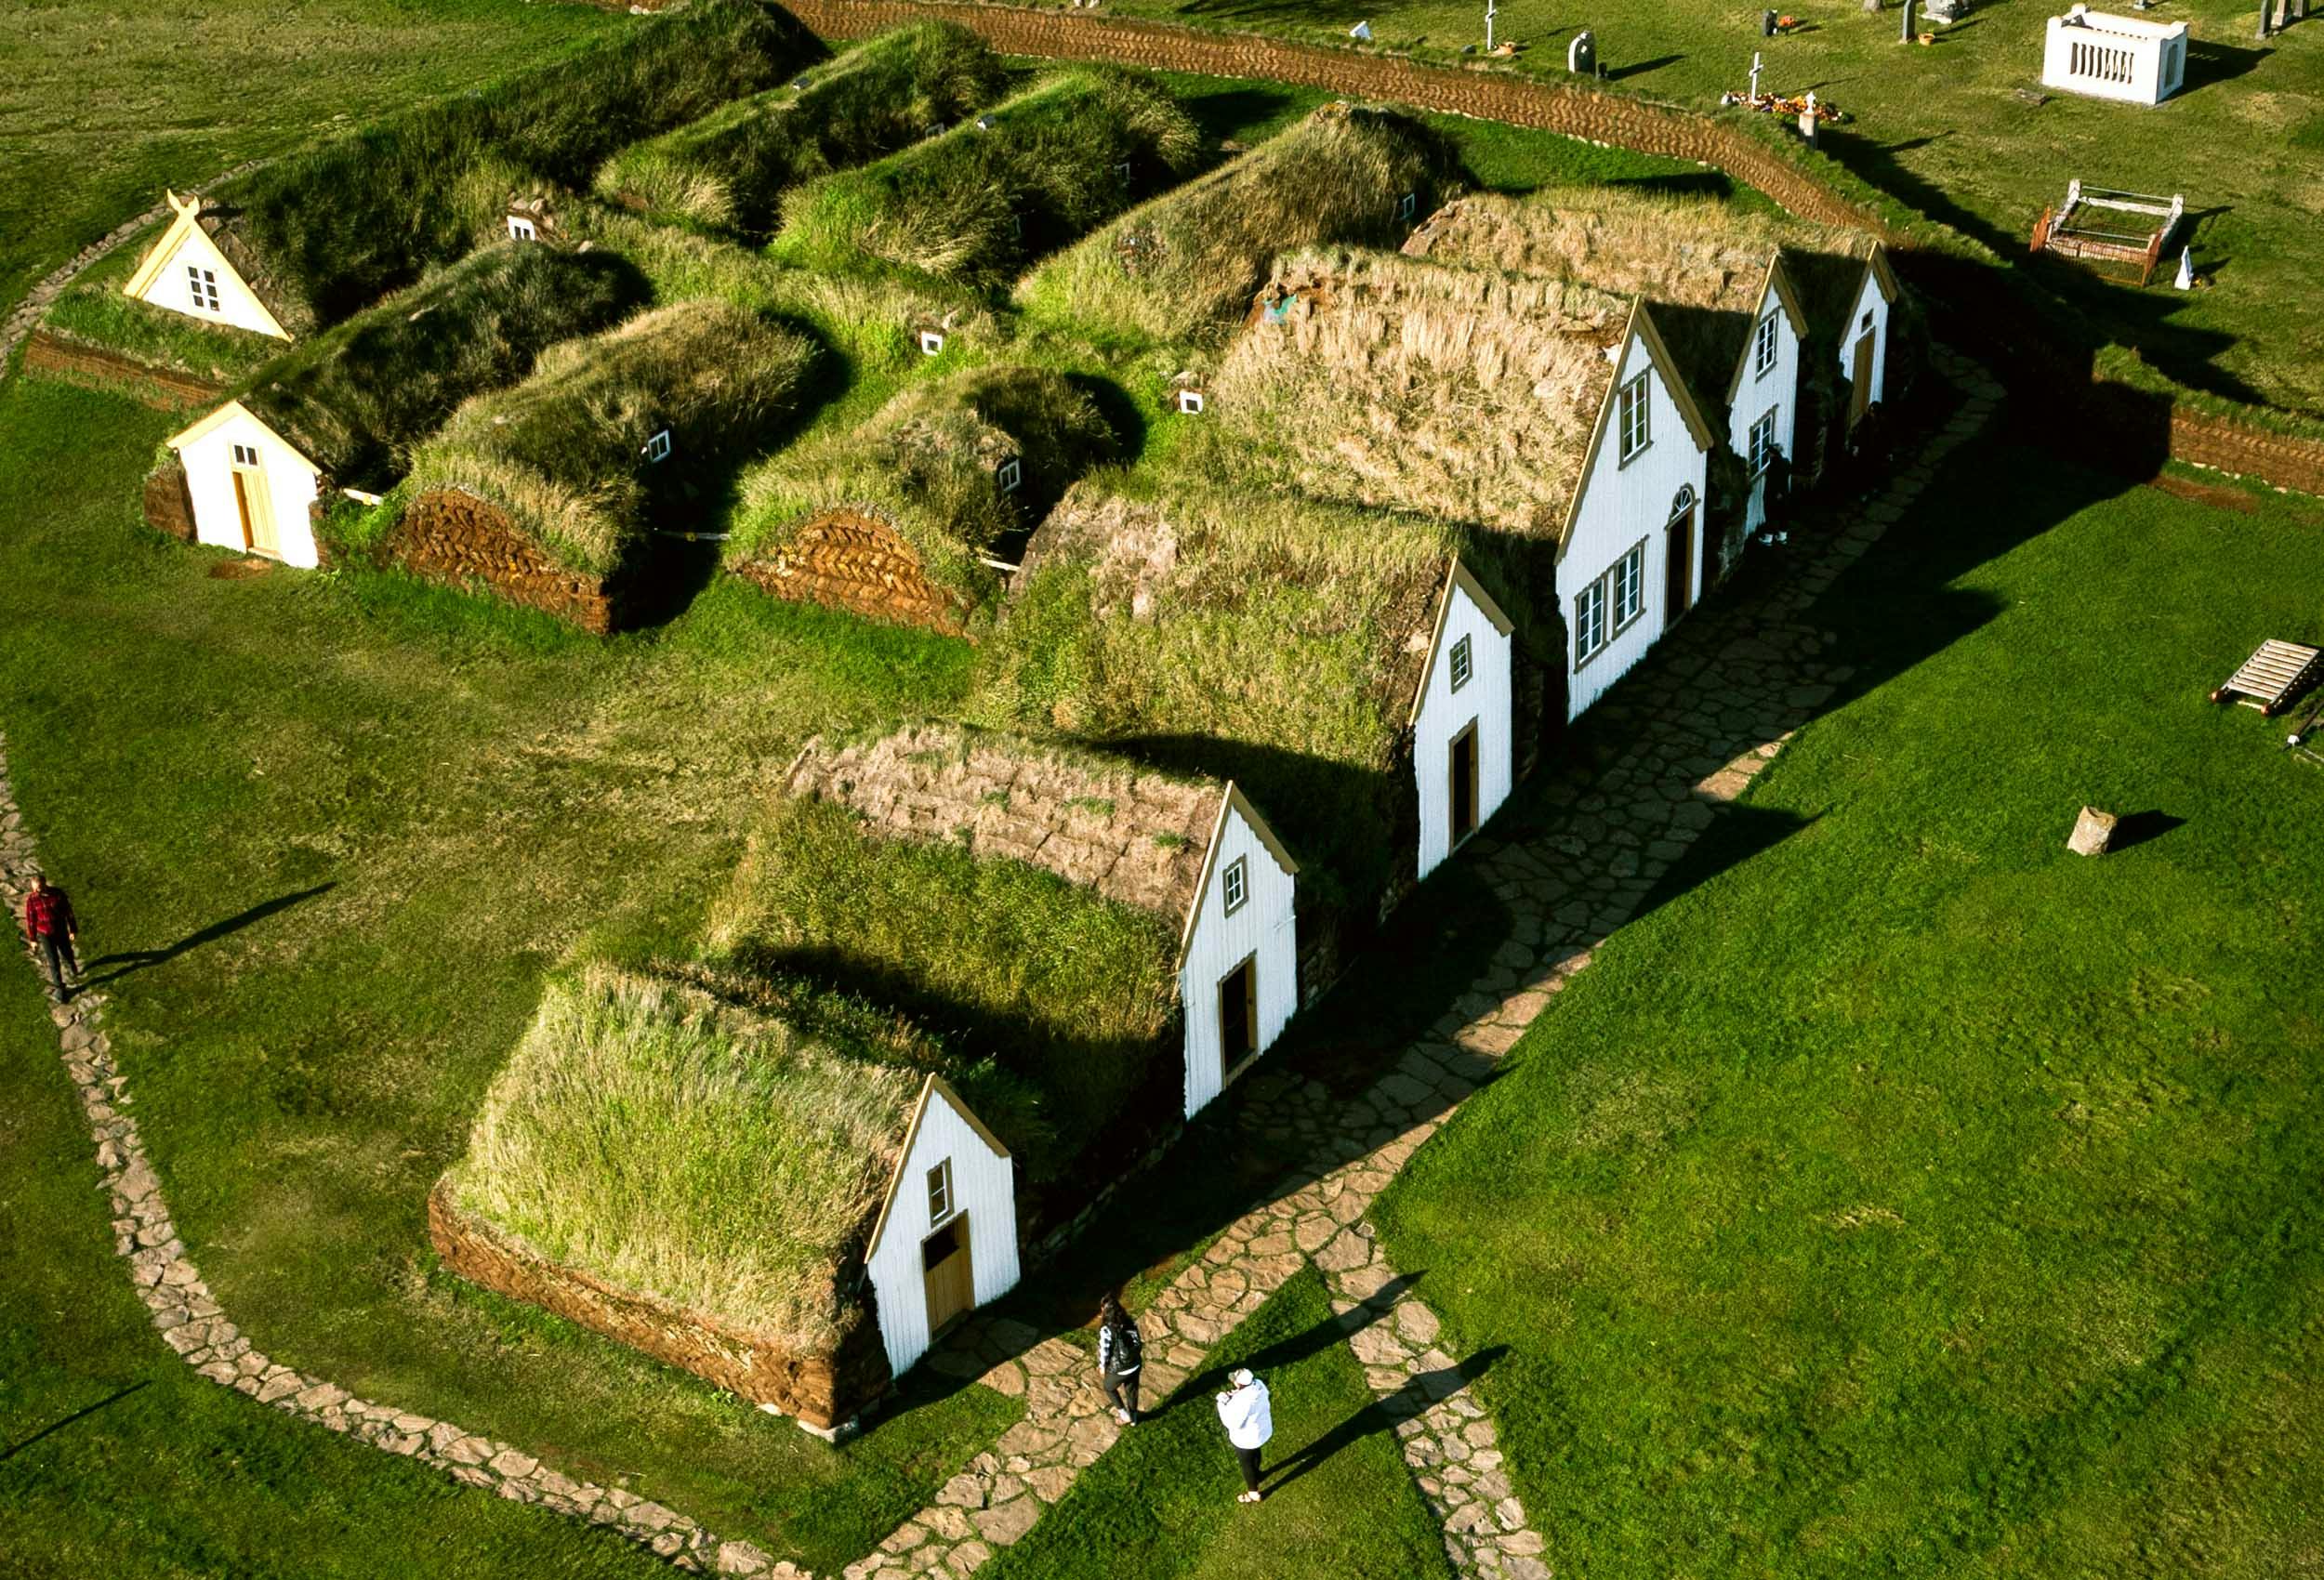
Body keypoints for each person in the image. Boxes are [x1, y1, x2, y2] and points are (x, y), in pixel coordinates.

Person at [1214, 1367, 1274, 1504]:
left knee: (1246, 1464)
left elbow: (1231, 1422)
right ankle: (1258, 1474)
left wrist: (1222, 1402)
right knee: (1256, 1452)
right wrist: (1237, 1394)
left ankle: (1253, 1493)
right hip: (1262, 1431)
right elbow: (1249, 1398)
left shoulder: (1241, 1402)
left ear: (1239, 1384)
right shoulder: (1258, 1384)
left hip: (1246, 1439)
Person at [21, 873, 79, 1003]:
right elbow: (31, 920)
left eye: (39, 888)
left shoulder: (57, 894)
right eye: (34, 888)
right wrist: (33, 939)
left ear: (45, 884)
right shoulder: (32, 900)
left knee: (66, 953)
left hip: (61, 930)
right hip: (45, 934)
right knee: (53, 961)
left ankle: (71, 964)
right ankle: (60, 988)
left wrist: (73, 929)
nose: (36, 891)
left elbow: (68, 912)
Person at [1096, 1291, 1142, 1426]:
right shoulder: (1129, 1321)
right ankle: (1134, 1419)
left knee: (1108, 1387)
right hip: (1135, 1363)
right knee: (1132, 1391)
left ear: (1105, 1311)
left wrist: (1102, 1367)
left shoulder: (1107, 1329)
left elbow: (1105, 1350)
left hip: (1120, 1368)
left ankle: (1124, 1415)